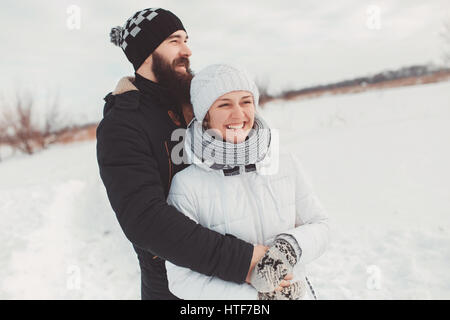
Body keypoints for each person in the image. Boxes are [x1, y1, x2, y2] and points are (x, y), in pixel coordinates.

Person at [96, 8, 268, 300]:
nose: (187, 50)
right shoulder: (122, 126)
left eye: (186, 40)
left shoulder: (198, 102)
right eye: (175, 41)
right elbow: (146, 220)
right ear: (147, 51)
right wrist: (242, 260)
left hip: (245, 275)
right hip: (175, 286)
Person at [164, 64, 330, 300]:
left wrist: (290, 248)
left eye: (246, 101)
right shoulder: (186, 186)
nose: (239, 114)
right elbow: (181, 280)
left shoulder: (285, 164)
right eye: (224, 104)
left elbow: (321, 225)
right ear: (205, 116)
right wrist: (257, 299)